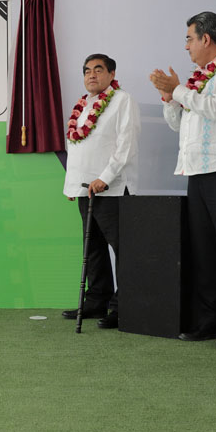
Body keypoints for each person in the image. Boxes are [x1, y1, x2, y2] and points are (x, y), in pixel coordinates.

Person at [149, 11, 216, 349]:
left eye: (188, 39)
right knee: (206, 251)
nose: (186, 47)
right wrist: (170, 97)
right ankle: (209, 321)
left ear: (206, 39)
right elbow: (179, 124)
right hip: (197, 169)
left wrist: (179, 90)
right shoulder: (198, 77)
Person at [61, 54, 140, 329]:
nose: (91, 75)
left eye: (98, 69)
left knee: (123, 249)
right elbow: (76, 148)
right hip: (85, 190)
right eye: (86, 71)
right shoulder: (82, 106)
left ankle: (123, 307)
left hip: (112, 189)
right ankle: (96, 302)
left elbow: (125, 145)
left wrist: (105, 178)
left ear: (111, 73)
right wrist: (72, 184)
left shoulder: (122, 100)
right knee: (92, 249)